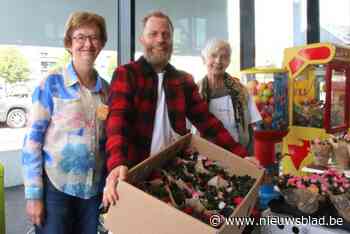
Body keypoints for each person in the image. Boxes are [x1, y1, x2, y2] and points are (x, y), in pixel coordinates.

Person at [103, 11, 249, 207]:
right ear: (142, 39)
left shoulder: (183, 80)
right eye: (153, 34)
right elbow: (117, 123)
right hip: (134, 173)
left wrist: (242, 156)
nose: (160, 40)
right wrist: (117, 163)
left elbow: (208, 123)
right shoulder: (127, 74)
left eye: (166, 35)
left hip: (171, 175)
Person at [22, 11, 109, 234]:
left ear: (101, 43)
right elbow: (32, 142)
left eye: (94, 37)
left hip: (92, 192)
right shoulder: (50, 84)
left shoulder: (107, 91)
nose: (87, 44)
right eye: (80, 37)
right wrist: (33, 196)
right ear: (69, 43)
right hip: (56, 189)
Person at [196, 39, 262, 155]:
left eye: (224, 57)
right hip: (205, 156)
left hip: (237, 155)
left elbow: (250, 129)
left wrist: (249, 157)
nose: (218, 61)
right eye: (213, 56)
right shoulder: (194, 92)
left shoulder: (241, 91)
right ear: (204, 59)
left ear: (229, 61)